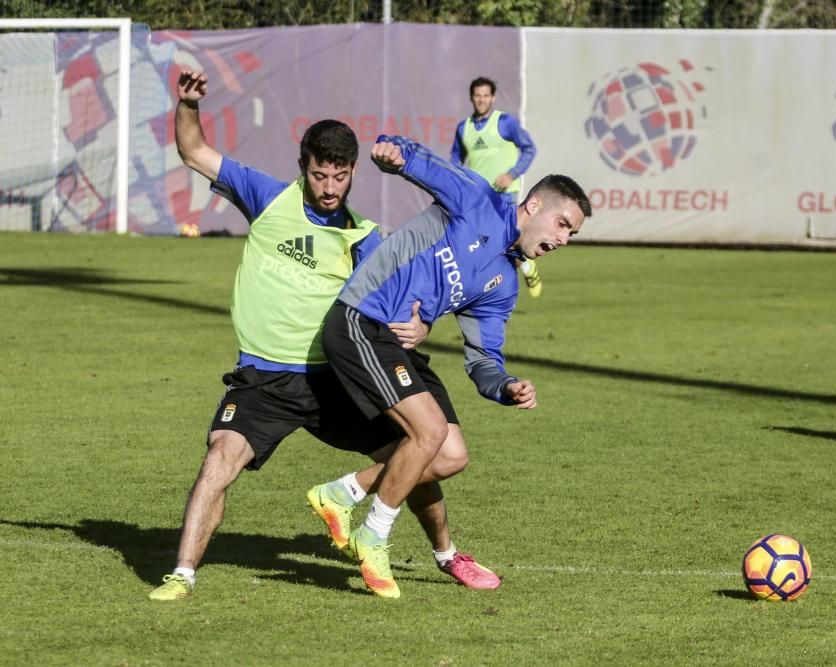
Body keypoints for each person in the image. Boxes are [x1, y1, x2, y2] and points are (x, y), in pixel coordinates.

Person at [148, 71, 500, 601]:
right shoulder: (266, 197)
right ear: (302, 168)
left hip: (335, 378)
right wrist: (188, 104)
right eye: (319, 176)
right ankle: (182, 574)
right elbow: (193, 149)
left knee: (419, 449)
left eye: (339, 176)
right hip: (263, 377)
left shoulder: (364, 235)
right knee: (218, 460)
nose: (329, 188)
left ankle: (447, 554)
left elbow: (413, 293)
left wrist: (423, 323)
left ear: (354, 171)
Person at [321, 133, 591, 599]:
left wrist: (505, 386)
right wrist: (393, 153)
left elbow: (483, 358)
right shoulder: (478, 199)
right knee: (426, 434)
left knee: (450, 455)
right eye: (562, 224)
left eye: (572, 234)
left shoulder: (503, 283)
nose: (563, 239)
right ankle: (373, 534)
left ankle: (343, 493)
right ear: (533, 205)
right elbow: (422, 162)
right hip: (359, 319)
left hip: (397, 346)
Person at [450, 76, 543, 298]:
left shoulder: (505, 123)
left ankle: (509, 282)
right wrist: (456, 180)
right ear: (471, 98)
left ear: (492, 97)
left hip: (504, 194)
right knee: (481, 245)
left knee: (502, 240)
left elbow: (529, 149)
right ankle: (524, 268)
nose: (481, 100)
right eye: (477, 95)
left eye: (485, 95)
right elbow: (456, 157)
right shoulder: (464, 128)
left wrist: (511, 174)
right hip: (476, 197)